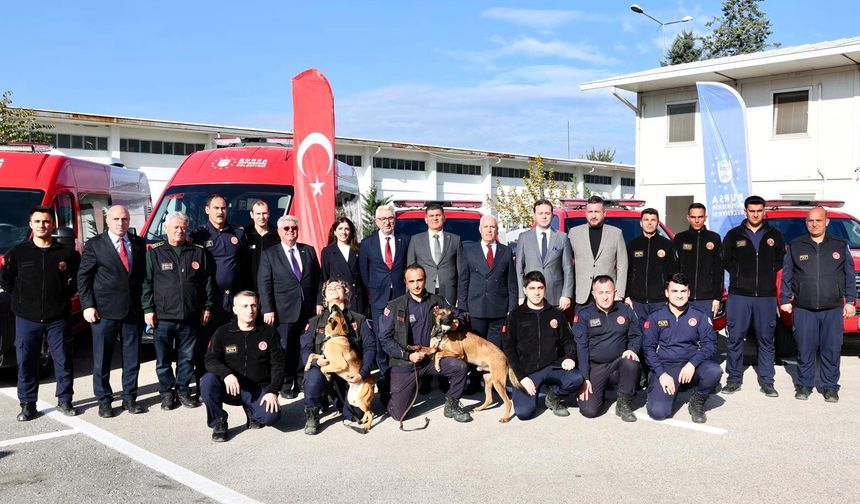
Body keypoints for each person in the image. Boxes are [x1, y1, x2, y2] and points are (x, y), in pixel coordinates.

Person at [1, 206, 80, 420]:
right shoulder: (18, 252)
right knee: (26, 361)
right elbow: (6, 280)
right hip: (27, 318)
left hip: (58, 317)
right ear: (30, 225)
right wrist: (21, 299)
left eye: (46, 221)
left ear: (53, 224)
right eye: (37, 221)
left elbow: (78, 279)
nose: (42, 225)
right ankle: (28, 404)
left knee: (63, 360)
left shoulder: (66, 253)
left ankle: (65, 400)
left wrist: (64, 297)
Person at [377, 264, 472, 423]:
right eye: (411, 281)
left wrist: (458, 323)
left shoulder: (437, 301)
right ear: (406, 283)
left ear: (425, 280)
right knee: (399, 415)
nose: (416, 285)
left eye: (419, 280)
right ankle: (386, 387)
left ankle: (452, 405)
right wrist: (408, 355)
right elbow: (384, 339)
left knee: (460, 367)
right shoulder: (395, 306)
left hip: (432, 358)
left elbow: (460, 314)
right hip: (406, 362)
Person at [780, 206, 856, 403]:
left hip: (832, 308)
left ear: (826, 222)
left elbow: (849, 275)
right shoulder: (796, 245)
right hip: (804, 308)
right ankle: (804, 385)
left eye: (818, 220)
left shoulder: (840, 245)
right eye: (810, 221)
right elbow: (787, 275)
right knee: (805, 348)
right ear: (806, 222)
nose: (814, 224)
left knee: (832, 349)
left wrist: (851, 301)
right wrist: (785, 299)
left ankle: (830, 387)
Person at [77, 205, 147, 417]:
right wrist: (87, 305)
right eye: (116, 219)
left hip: (132, 311)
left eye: (124, 219)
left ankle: (129, 398)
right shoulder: (95, 245)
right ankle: (104, 400)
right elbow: (84, 277)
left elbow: (143, 277)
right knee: (102, 359)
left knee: (132, 358)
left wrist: (147, 307)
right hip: (104, 312)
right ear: (107, 221)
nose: (120, 223)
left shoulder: (138, 243)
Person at [142, 211, 214, 411]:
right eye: (175, 227)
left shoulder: (197, 252)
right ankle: (167, 393)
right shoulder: (155, 252)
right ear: (166, 228)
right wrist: (148, 308)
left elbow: (207, 282)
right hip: (163, 316)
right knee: (163, 359)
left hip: (190, 315)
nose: (180, 231)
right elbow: (147, 283)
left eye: (183, 227)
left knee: (187, 358)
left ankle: (183, 391)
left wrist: (207, 306)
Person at [721, 195, 786, 397]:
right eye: (752, 211)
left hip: (765, 296)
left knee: (766, 339)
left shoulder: (775, 235)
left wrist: (766, 276)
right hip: (739, 295)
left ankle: (767, 381)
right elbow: (725, 260)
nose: (756, 214)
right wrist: (740, 275)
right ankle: (733, 379)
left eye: (759, 211)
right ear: (745, 211)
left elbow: (780, 261)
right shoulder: (734, 235)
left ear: (764, 211)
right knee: (735, 338)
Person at [201, 290, 283, 442]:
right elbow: (210, 360)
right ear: (235, 309)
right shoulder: (222, 332)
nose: (250, 310)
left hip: (257, 388)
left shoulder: (269, 332)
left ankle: (252, 412)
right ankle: (218, 422)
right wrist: (226, 374)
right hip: (230, 387)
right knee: (207, 381)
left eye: (253, 305)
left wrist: (273, 391)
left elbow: (278, 365)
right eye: (245, 306)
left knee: (271, 417)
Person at [502, 271, 583, 420]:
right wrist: (522, 377)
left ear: (545, 289)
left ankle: (553, 396)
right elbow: (509, 349)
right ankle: (530, 391)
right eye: (532, 288)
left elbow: (568, 340)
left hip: (552, 365)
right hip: (528, 371)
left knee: (576, 378)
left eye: (540, 288)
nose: (536, 292)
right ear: (525, 290)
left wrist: (570, 357)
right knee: (524, 413)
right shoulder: (515, 315)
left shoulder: (555, 313)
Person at [643, 273, 722, 423]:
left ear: (688, 292)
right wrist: (661, 374)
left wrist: (692, 364)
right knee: (658, 413)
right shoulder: (656, 316)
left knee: (714, 371)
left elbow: (710, 345)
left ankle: (697, 402)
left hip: (690, 364)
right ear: (667, 293)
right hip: (667, 367)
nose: (679, 295)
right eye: (674, 291)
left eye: (683, 291)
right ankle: (657, 391)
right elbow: (648, 349)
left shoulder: (699, 315)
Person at [300, 279, 376, 435]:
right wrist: (316, 361)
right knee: (313, 377)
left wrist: (362, 374)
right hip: (324, 369)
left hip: (348, 375)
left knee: (356, 415)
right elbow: (305, 350)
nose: (334, 289)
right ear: (325, 297)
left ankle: (335, 399)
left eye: (338, 287)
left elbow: (370, 348)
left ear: (346, 294)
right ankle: (312, 413)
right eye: (329, 288)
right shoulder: (315, 322)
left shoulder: (359, 320)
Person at [258, 215, 322, 399]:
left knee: (305, 345)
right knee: (285, 348)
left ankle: (302, 380)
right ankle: (286, 383)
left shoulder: (308, 250)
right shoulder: (270, 254)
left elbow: (318, 280)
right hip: (283, 310)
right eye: (286, 228)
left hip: (307, 309)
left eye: (294, 228)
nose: (290, 231)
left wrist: (319, 302)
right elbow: (264, 284)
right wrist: (267, 309)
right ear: (279, 231)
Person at [190, 195, 248, 385]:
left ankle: (233, 380)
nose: (220, 212)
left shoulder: (238, 233)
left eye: (223, 208)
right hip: (210, 299)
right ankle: (204, 382)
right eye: (216, 208)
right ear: (207, 210)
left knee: (233, 340)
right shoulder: (199, 235)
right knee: (206, 341)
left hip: (233, 298)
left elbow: (245, 265)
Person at [457, 214, 517, 393]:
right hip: (475, 309)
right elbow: (463, 281)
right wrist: (463, 308)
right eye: (486, 227)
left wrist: (512, 308)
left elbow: (511, 283)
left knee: (494, 350)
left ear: (497, 230)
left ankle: (496, 384)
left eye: (492, 227)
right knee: (474, 349)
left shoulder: (506, 251)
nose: (489, 230)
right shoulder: (469, 251)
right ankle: (475, 382)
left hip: (499, 309)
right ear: (480, 229)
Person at [359, 205, 410, 405]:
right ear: (376, 222)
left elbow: (407, 266)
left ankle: (401, 378)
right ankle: (384, 380)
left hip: (400, 297)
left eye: (390, 218)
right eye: (383, 219)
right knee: (381, 340)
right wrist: (374, 291)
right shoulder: (367, 243)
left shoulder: (404, 240)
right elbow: (364, 273)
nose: (387, 222)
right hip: (378, 298)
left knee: (400, 337)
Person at [574, 276, 641, 422]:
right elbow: (581, 347)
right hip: (595, 367)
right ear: (594, 294)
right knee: (589, 411)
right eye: (601, 293)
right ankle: (599, 392)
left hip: (618, 364)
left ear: (614, 292)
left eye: (608, 292)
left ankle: (623, 403)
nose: (605, 297)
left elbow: (636, 335)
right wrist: (585, 378)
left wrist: (632, 349)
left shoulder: (625, 310)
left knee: (631, 361)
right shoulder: (584, 314)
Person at [568, 195, 628, 313]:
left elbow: (623, 265)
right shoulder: (574, 233)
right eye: (590, 212)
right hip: (582, 296)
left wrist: (619, 293)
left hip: (607, 296)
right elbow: (567, 264)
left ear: (604, 213)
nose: (593, 215)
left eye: (597, 212)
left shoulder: (616, 234)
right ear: (585, 213)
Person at [515, 199, 573, 310]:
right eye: (540, 213)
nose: (544, 217)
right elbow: (519, 269)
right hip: (531, 297)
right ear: (534, 215)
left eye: (547, 213)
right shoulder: (524, 238)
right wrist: (521, 295)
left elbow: (568, 269)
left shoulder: (562, 237)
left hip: (555, 298)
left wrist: (566, 294)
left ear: (552, 215)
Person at [625, 208, 678, 325]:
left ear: (658, 223)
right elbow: (628, 272)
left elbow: (673, 273)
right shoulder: (632, 245)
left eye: (653, 220)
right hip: (637, 301)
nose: (649, 223)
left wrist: (670, 295)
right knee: (639, 333)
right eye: (646, 220)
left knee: (661, 332)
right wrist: (627, 296)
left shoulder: (667, 244)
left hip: (660, 301)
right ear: (641, 223)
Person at [406, 202, 462, 305]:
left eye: (438, 215)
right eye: (431, 216)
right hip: (424, 291)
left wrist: (460, 297)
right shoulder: (415, 240)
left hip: (449, 292)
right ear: (426, 219)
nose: (435, 218)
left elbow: (461, 271)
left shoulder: (455, 240)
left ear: (444, 218)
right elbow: (410, 271)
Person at [673, 203, 723, 317]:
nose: (696, 220)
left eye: (700, 217)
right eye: (693, 217)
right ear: (688, 217)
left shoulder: (714, 238)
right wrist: (675, 293)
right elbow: (674, 268)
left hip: (707, 299)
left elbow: (719, 270)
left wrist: (717, 297)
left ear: (705, 217)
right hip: (683, 296)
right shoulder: (680, 238)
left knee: (706, 328)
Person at [320, 216, 366, 314]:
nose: (344, 232)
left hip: (357, 298)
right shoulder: (327, 252)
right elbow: (324, 277)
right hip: (337, 298)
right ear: (334, 232)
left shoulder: (359, 249)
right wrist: (321, 301)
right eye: (340, 228)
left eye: (347, 229)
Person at [243, 200, 280, 291]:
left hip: (272, 288)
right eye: (258, 214)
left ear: (269, 213)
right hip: (249, 288)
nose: (261, 217)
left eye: (264, 213)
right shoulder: (244, 235)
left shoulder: (278, 235)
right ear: (252, 215)